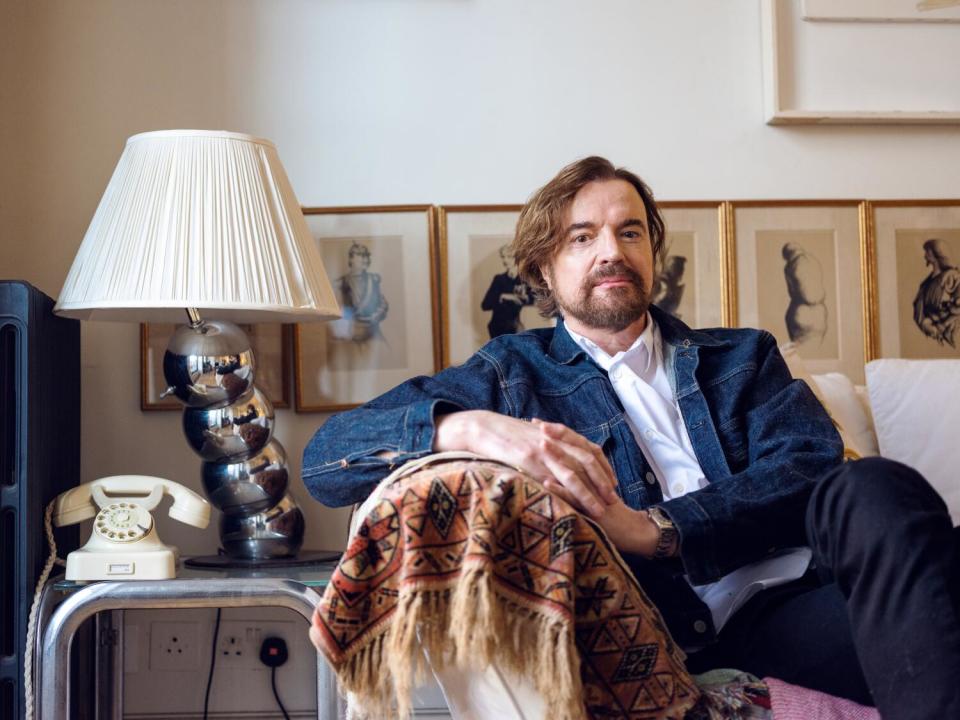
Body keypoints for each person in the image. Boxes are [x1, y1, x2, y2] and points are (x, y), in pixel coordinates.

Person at [303, 157, 960, 719]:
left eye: (629, 232)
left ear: (652, 253)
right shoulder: (511, 375)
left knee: (874, 485)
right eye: (582, 238)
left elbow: (809, 469)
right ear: (544, 267)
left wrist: (657, 529)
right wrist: (466, 424)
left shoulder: (741, 357)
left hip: (813, 598)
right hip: (696, 636)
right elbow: (326, 458)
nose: (611, 251)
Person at [329, 242, 389, 343]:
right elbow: (337, 311)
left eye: (367, 255)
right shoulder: (340, 283)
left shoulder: (373, 280)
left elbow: (383, 304)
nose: (365, 259)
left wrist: (375, 317)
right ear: (351, 259)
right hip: (350, 335)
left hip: (372, 335)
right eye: (361, 255)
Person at [913, 237, 960, 348]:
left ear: (936, 254)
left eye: (927, 252)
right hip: (932, 333)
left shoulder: (952, 277)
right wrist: (925, 325)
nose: (925, 255)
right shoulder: (925, 284)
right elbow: (919, 310)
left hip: (950, 332)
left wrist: (941, 325)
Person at [480, 243, 535, 338]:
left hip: (519, 328)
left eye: (509, 257)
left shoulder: (526, 279)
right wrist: (503, 296)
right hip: (497, 328)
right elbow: (485, 305)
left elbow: (533, 301)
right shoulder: (499, 279)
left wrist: (515, 298)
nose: (505, 261)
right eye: (503, 257)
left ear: (517, 258)